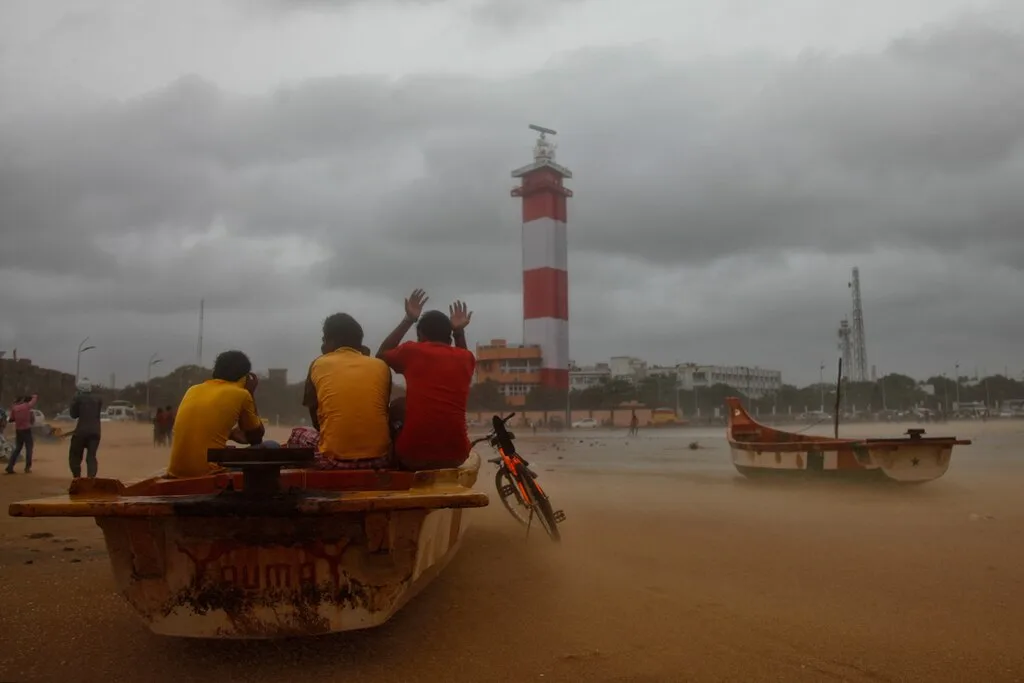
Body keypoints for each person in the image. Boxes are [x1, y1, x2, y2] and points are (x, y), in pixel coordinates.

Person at [376, 289, 476, 470]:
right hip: (457, 455)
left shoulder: (411, 351)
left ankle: (389, 463)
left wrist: (408, 320)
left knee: (397, 406)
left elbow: (381, 356)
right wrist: (459, 332)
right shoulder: (466, 358)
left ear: (421, 335)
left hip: (412, 455)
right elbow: (464, 353)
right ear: (449, 335)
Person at [303, 313, 392, 469]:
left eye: (324, 340)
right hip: (379, 460)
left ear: (330, 341)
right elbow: (383, 409)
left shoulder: (318, 363)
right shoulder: (381, 366)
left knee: (297, 434)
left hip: (333, 461)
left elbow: (314, 414)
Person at [166, 350, 266, 478]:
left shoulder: (192, 390)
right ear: (246, 377)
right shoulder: (242, 394)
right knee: (272, 446)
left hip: (175, 472)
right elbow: (256, 438)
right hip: (207, 473)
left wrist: (229, 434)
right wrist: (251, 393)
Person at [69, 380, 104, 478]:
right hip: (96, 432)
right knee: (91, 457)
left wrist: (74, 401)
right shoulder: (98, 400)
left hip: (81, 432)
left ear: (80, 390)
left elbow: (73, 415)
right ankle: (91, 479)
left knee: (75, 456)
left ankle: (77, 478)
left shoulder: (78, 399)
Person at [5, 394, 38, 474]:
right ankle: (27, 467)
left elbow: (11, 419)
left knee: (17, 449)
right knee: (29, 448)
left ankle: (10, 466)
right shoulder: (26, 406)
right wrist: (34, 396)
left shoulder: (14, 408)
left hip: (18, 430)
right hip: (26, 430)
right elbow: (34, 401)